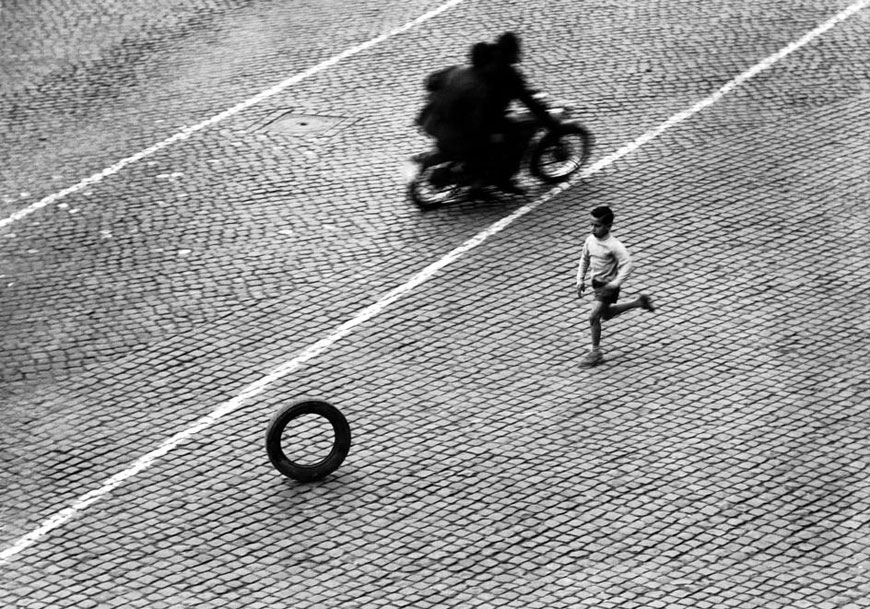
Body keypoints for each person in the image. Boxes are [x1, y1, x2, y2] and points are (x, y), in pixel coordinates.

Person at [576, 206, 655, 367]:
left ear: (609, 226)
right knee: (605, 315)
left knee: (593, 317)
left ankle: (596, 352)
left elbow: (627, 264)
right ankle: (639, 302)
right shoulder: (590, 240)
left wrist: (615, 284)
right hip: (597, 285)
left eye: (597, 225)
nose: (592, 229)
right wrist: (580, 279)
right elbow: (584, 259)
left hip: (608, 287)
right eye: (591, 225)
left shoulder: (614, 246)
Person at [483, 31, 560, 193]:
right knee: (519, 137)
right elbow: (527, 100)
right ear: (512, 52)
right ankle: (504, 179)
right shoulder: (508, 73)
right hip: (490, 118)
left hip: (475, 111)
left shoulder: (489, 60)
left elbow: (518, 91)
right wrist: (547, 119)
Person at [418, 42, 494, 179]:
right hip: (451, 131)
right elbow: (476, 116)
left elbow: (431, 81)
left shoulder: (456, 71)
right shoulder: (478, 86)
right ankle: (475, 185)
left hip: (432, 121)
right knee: (484, 148)